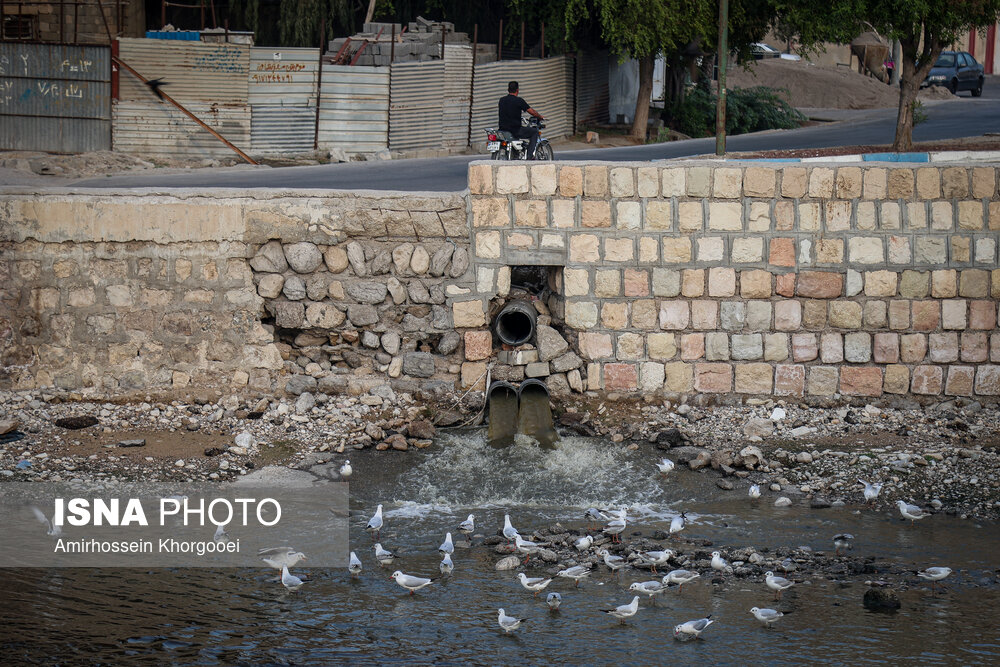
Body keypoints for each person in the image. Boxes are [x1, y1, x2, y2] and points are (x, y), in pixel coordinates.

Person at [498, 81, 544, 159]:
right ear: (517, 90)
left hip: (503, 130)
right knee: (534, 132)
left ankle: (516, 154)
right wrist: (540, 116)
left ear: (508, 89)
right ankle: (529, 156)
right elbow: (532, 112)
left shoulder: (502, 100)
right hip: (515, 130)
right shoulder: (519, 101)